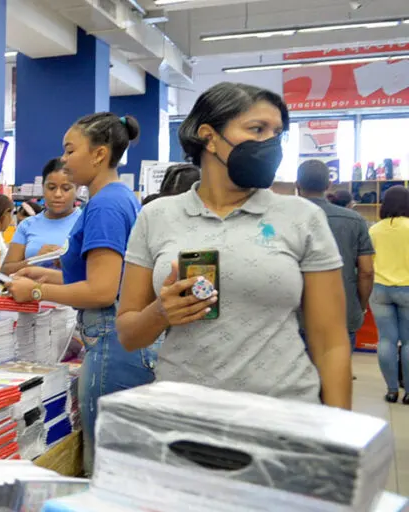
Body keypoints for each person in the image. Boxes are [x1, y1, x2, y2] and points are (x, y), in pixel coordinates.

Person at [115, 82, 352, 413]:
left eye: (277, 133)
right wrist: (160, 313)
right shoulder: (156, 217)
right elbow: (128, 335)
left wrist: (340, 434)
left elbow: (330, 342)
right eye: (257, 129)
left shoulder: (301, 217)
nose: (270, 143)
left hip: (283, 415)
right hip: (183, 414)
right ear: (209, 136)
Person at [5, 113, 151, 472]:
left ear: (99, 154)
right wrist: (48, 274)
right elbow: (106, 276)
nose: (65, 160)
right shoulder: (118, 197)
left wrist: (37, 291)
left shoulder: (104, 205)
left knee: (103, 469)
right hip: (124, 342)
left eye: (71, 150)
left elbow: (102, 290)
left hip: (113, 345)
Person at [296, 159, 374, 352]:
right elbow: (366, 271)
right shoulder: (354, 220)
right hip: (343, 311)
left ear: (297, 185)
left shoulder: (281, 219)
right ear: (328, 185)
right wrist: (360, 306)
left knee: (299, 378)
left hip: (297, 313)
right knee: (336, 376)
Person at [2, 159, 82, 274]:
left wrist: (68, 262)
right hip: (29, 291)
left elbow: (98, 275)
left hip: (70, 291)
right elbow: (5, 271)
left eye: (66, 188)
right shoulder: (27, 225)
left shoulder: (86, 223)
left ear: (77, 189)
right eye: (51, 187)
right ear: (43, 187)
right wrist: (35, 260)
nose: (58, 194)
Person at [368, 185, 409, 404]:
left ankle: (392, 390)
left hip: (380, 287)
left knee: (386, 340)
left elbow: (368, 262)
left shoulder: (374, 229)